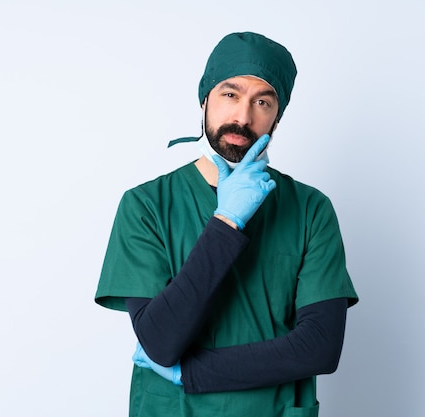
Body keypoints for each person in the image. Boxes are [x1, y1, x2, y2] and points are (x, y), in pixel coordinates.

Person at [95, 31, 359, 417]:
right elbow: (160, 342)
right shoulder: (146, 206)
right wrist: (227, 220)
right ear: (204, 100)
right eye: (230, 94)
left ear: (277, 118)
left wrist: (193, 372)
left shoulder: (310, 209)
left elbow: (319, 346)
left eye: (262, 102)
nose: (243, 116)